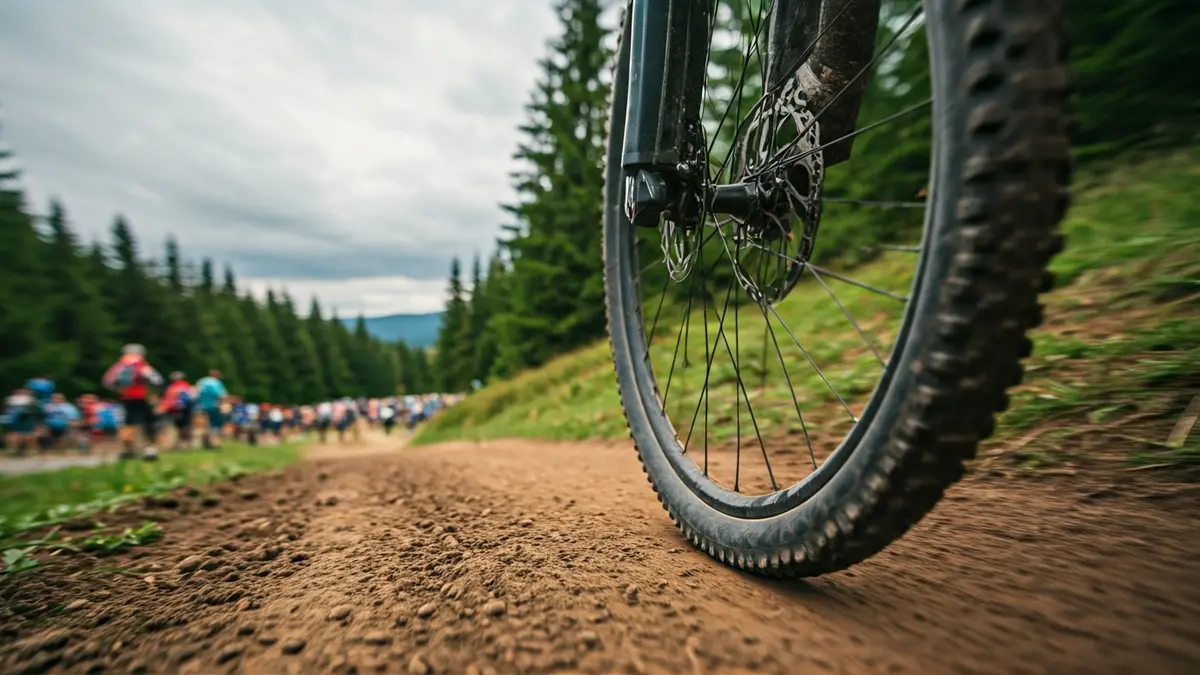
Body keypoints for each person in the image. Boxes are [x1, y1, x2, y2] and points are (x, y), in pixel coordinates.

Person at [101, 344, 163, 460]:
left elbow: (107, 381)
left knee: (127, 423)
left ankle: (128, 450)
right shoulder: (142, 365)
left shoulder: (119, 366)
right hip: (142, 398)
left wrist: (119, 390)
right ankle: (149, 449)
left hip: (125, 399)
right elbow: (157, 380)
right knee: (148, 422)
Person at [159, 371, 196, 450]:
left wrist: (164, 407)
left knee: (177, 426)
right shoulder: (185, 386)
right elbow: (191, 397)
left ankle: (179, 443)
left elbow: (166, 399)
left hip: (174, 410)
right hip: (183, 409)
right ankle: (183, 443)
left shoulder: (171, 387)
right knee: (184, 426)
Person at [194, 370, 227, 449]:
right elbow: (221, 395)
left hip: (200, 406)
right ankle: (215, 442)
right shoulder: (216, 383)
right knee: (215, 424)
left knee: (202, 425)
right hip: (213, 406)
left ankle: (203, 440)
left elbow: (195, 393)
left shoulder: (202, 381)